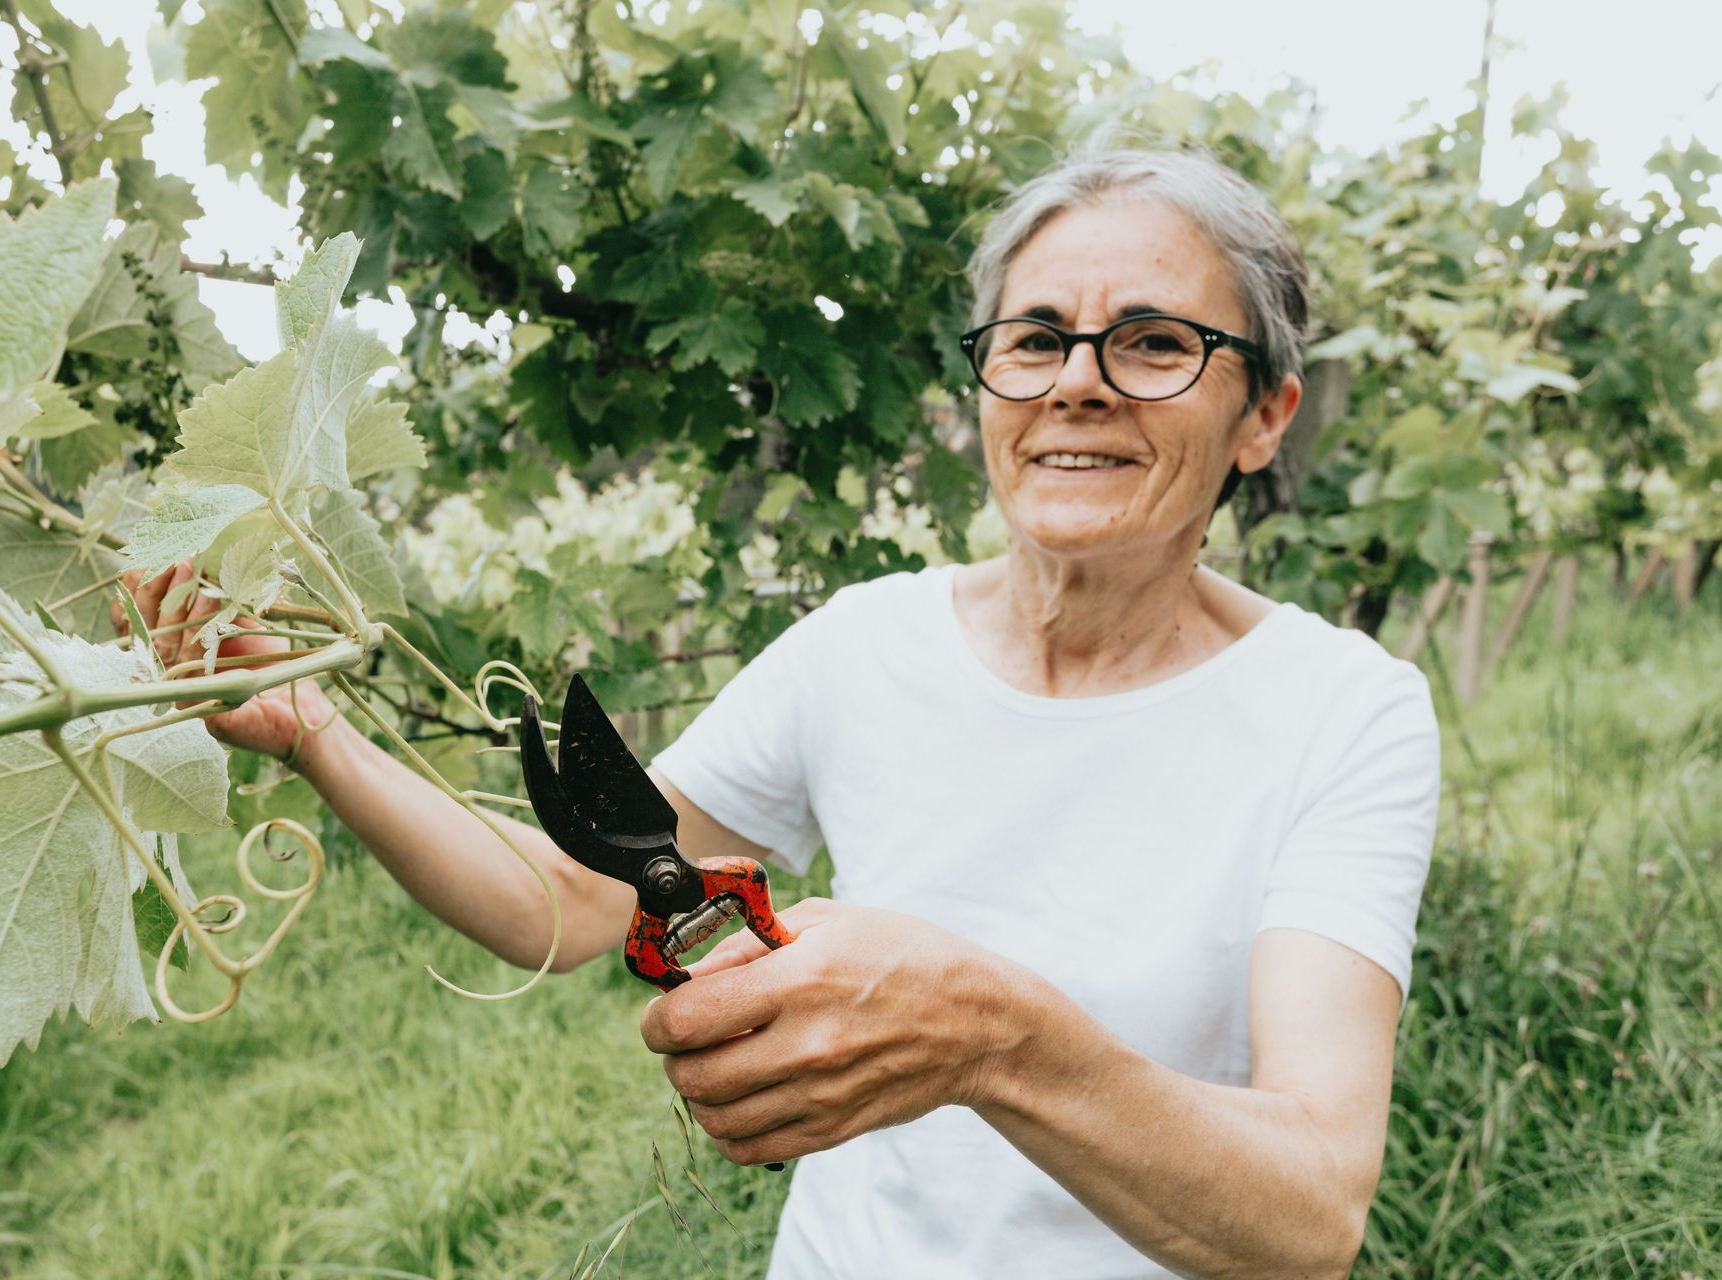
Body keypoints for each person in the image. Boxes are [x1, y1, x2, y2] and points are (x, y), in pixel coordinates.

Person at [119, 143, 1440, 1278]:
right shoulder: (865, 646)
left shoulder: (1342, 713)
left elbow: (1310, 1213)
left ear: (1264, 415)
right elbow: (575, 897)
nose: (1076, 382)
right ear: (985, 386)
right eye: (1036, 338)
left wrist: (992, 1033)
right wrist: (320, 736)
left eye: (1155, 342)